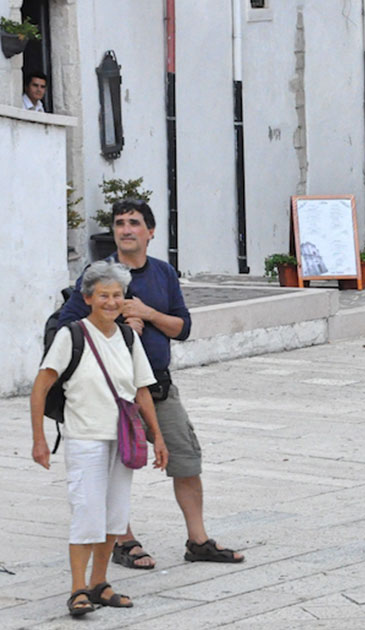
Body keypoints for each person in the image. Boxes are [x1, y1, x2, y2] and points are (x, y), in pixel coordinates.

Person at [58, 199, 244, 569]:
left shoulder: (163, 273)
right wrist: (118, 328)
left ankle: (198, 540)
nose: (126, 229)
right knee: (117, 466)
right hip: (111, 392)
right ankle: (123, 541)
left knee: (186, 460)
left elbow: (183, 328)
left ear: (151, 232)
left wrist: (148, 313)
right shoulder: (97, 276)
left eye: (134, 223)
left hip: (158, 387)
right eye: (120, 223)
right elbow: (68, 328)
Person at [30, 261, 169, 617]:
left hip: (123, 437)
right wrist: (39, 439)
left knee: (114, 515)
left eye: (117, 295)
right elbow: (41, 386)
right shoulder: (71, 334)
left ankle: (100, 583)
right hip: (85, 438)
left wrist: (158, 437)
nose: (111, 301)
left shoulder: (127, 337)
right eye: (103, 295)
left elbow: (141, 390)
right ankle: (78, 589)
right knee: (86, 514)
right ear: (88, 297)